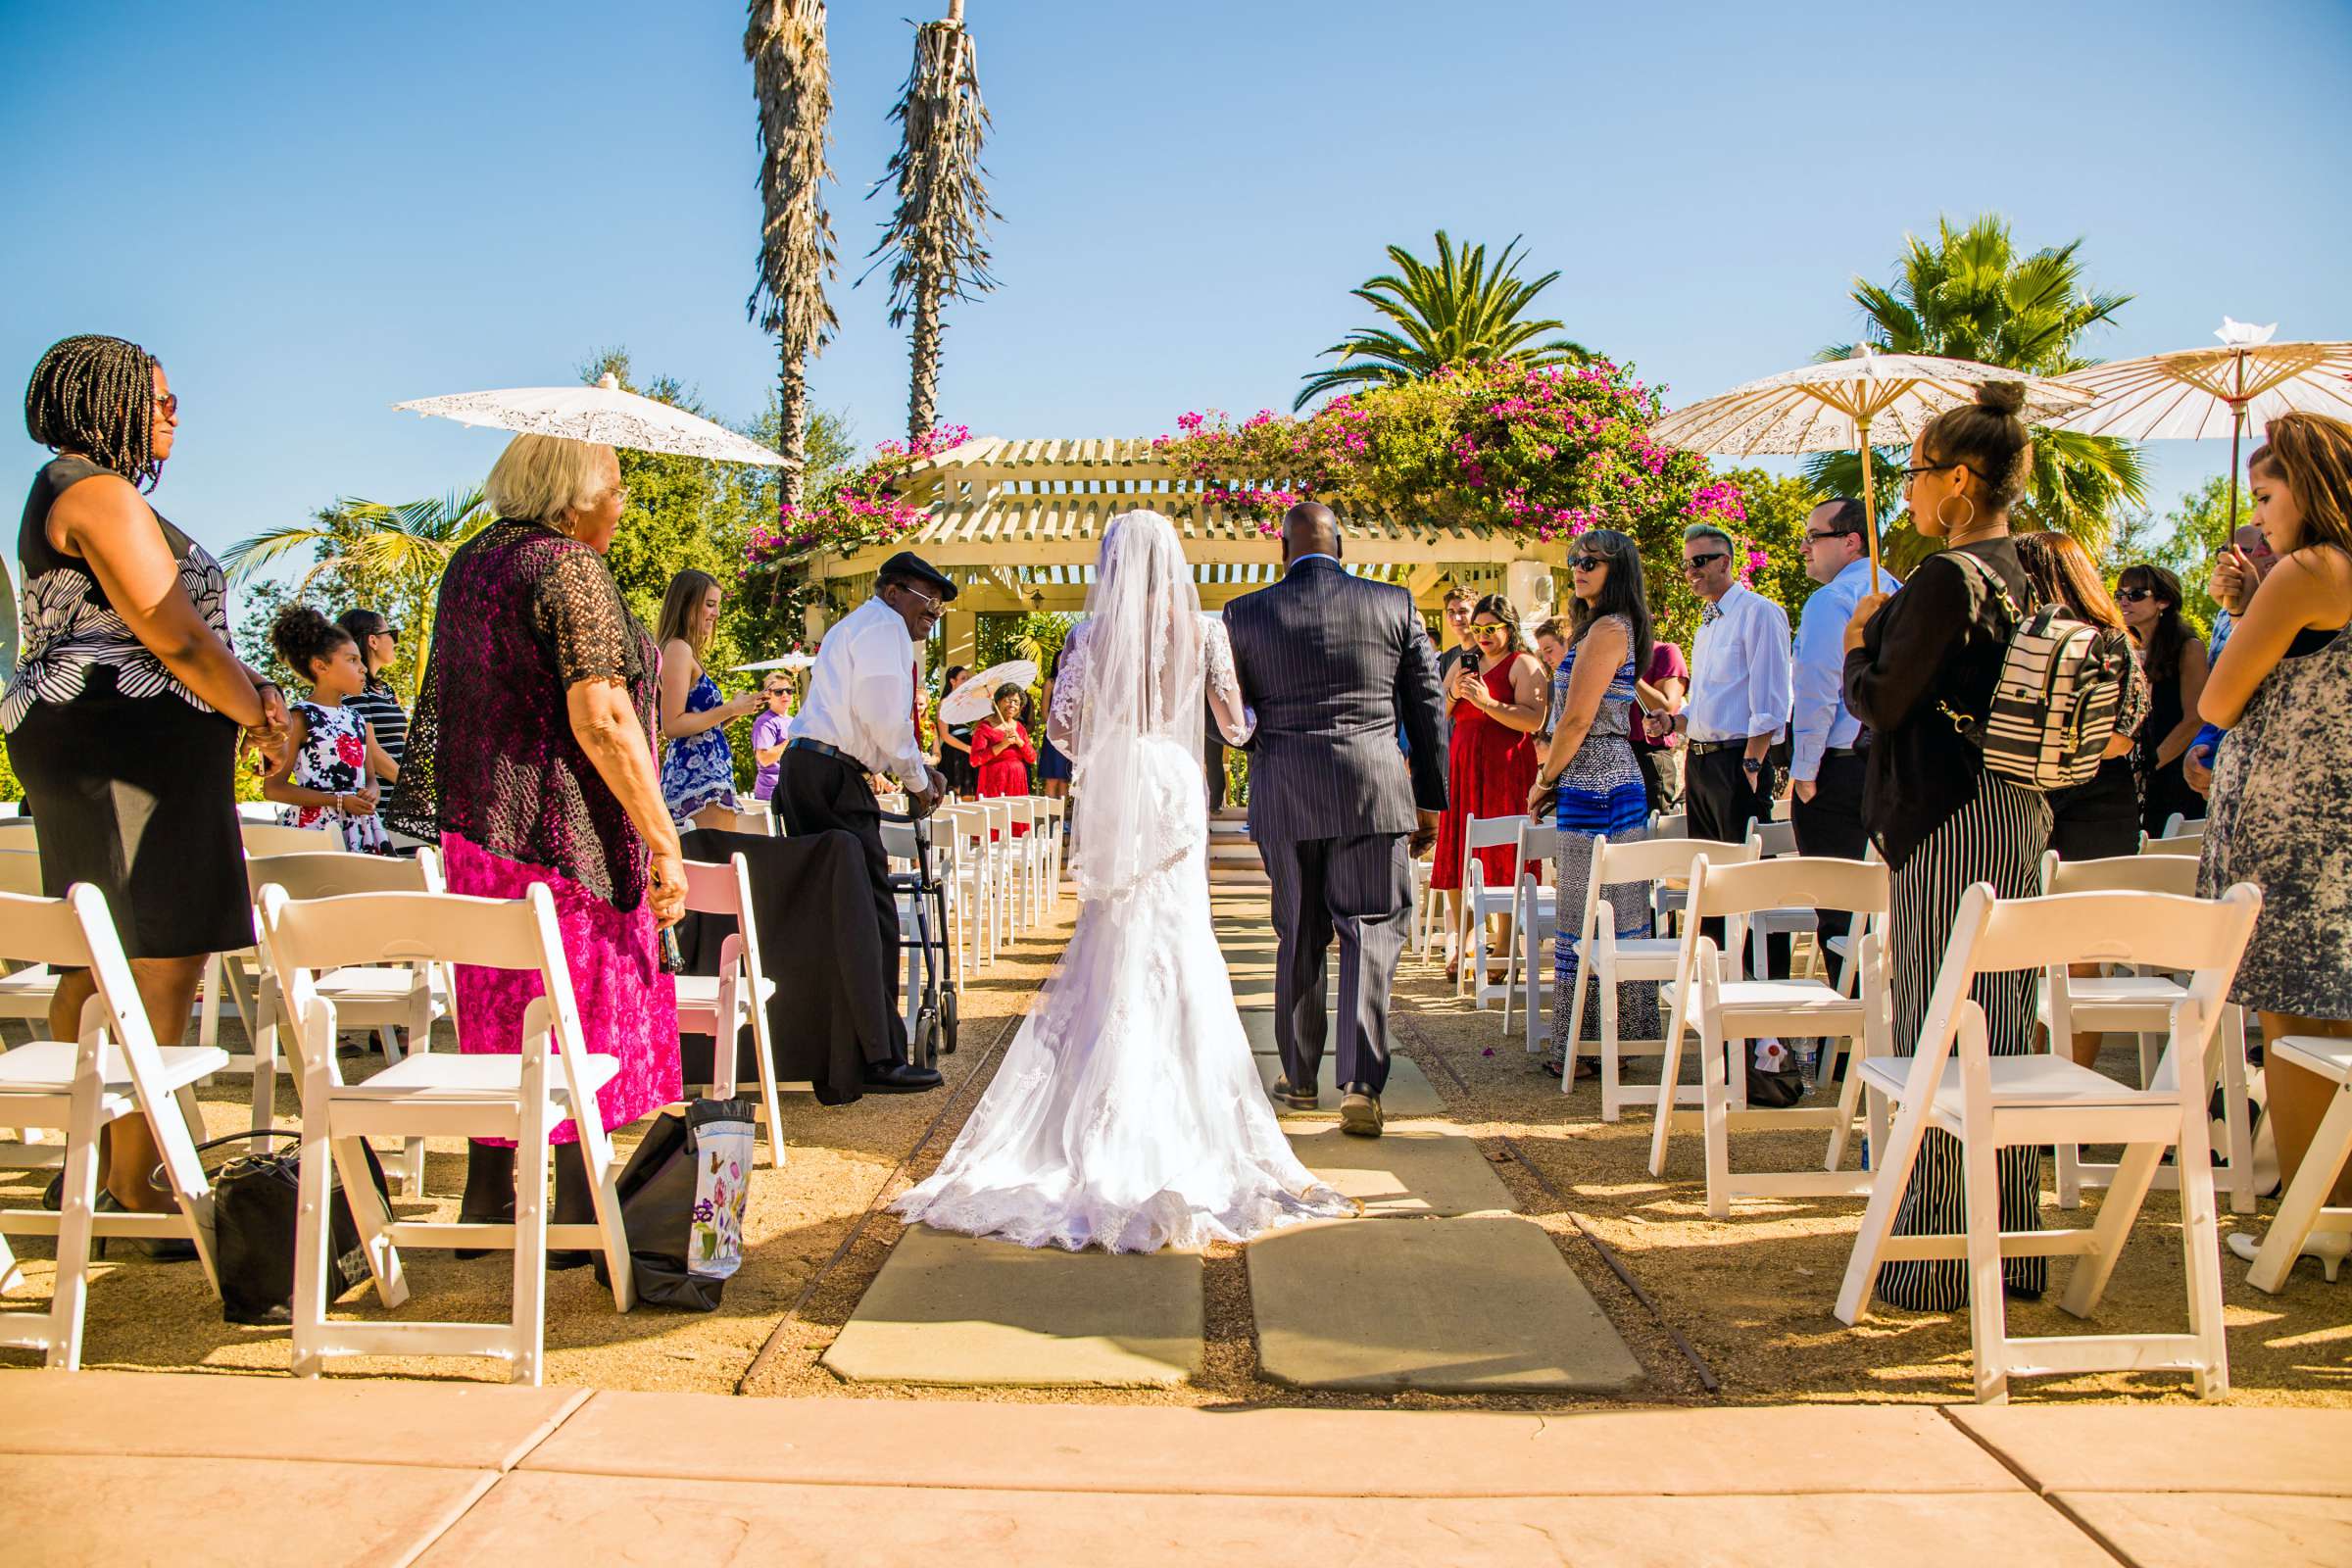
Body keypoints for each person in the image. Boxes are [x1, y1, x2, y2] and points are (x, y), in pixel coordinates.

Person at [893, 511, 1351, 1249]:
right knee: (1178, 931)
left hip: (1116, 782)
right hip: (1173, 783)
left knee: (1111, 926)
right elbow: (1235, 727)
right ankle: (1185, 1105)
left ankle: (1097, 1096)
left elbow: (1067, 734)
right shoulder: (1204, 630)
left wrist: (1115, 728)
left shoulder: (1087, 635)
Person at [382, 432, 684, 1261]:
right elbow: (604, 718)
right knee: (576, 1014)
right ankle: (581, 1209)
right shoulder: (568, 566)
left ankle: (487, 1198)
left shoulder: (472, 562)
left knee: (500, 1005)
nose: (623, 505)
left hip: (481, 829)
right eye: (616, 487)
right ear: (576, 493)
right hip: (562, 834)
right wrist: (663, 842)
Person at [9, 333, 288, 1227]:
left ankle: (95, 1158)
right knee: (154, 962)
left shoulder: (83, 490)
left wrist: (257, 694)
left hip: (118, 741)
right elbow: (176, 638)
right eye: (156, 396)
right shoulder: (93, 489)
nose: (173, 411)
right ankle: (137, 1179)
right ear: (104, 400)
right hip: (123, 750)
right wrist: (262, 717)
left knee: (102, 963)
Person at [1840, 380, 2054, 1310]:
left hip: (1945, 820)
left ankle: (1936, 1255)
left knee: (1941, 1023)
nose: (1909, 494)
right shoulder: (2043, 566)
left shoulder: (1946, 578)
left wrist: (1857, 648)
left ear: (1962, 480)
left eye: (1919, 473)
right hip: (2019, 811)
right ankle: (2013, 1243)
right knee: (2003, 1025)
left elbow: (1886, 702)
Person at [1223, 503, 1448, 1138]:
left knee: (1298, 931)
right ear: (1342, 548)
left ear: (1282, 550)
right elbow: (1427, 707)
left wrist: (1265, 751)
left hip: (1286, 792)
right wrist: (1429, 797)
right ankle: (1360, 1083)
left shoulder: (1245, 614)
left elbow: (1233, 719)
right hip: (1373, 792)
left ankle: (1298, 1079)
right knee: (1370, 931)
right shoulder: (1394, 604)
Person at [2197, 414, 2352, 1279]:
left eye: (2267, 495)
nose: (2259, 516)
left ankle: (2313, 1214)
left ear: (2309, 487)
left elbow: (2220, 700)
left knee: (2290, 1019)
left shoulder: (2306, 570)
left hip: (2294, 821)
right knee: (2340, 1019)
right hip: (2343, 819)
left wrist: (2245, 606)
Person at [778, 550, 954, 1092]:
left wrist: (911, 768)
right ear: (895, 590)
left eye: (942, 607)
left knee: (833, 911)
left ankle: (841, 1054)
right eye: (929, 601)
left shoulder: (858, 627)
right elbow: (884, 718)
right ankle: (878, 1058)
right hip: (832, 776)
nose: (935, 614)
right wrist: (920, 783)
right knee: (870, 912)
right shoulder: (884, 627)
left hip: (814, 768)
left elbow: (874, 723)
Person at [2013, 530, 2149, 1069]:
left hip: (2094, 801)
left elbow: (2120, 736)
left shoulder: (2113, 645)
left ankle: (2065, 1088)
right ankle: (2020, 1077)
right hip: (2026, 799)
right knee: (2016, 952)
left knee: (2080, 957)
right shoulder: (2009, 643)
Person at [1527, 529, 1658, 1079]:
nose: (1578, 568)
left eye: (1592, 563)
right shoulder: (1606, 625)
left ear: (1618, 570)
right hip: (1599, 775)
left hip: (1596, 778)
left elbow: (1578, 718)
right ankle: (1606, 1044)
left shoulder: (1607, 627)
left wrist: (1544, 779)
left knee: (1592, 917)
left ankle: (1590, 1049)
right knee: (1605, 915)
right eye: (1575, 560)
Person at [1428, 593, 1547, 982]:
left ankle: (1504, 945)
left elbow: (1533, 720)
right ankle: (1461, 942)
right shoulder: (1466, 665)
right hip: (1463, 769)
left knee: (1502, 850)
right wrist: (1454, 693)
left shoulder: (1524, 664)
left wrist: (1488, 703)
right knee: (1456, 850)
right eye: (1477, 630)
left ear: (1509, 628)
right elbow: (1437, 712)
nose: (1482, 636)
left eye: (1490, 629)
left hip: (1505, 769)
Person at [1662, 522, 1791, 847]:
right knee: (1709, 875)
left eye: (1699, 561)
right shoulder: (1706, 624)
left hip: (1736, 762)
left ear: (1725, 562)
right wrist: (1672, 721)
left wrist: (1750, 767)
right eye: (1687, 564)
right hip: (1699, 764)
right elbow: (1709, 703)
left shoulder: (1759, 612)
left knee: (1746, 878)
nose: (1691, 571)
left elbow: (1770, 702)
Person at [1789, 500, 1897, 879]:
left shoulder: (1830, 600)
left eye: (1813, 537)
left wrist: (1804, 770)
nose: (1804, 548)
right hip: (1894, 766)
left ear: (1851, 542)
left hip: (1840, 767)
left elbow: (1816, 690)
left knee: (1837, 907)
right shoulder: (1902, 593)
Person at [262, 606, 397, 854]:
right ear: (321, 666)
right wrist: (338, 801)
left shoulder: (357, 720)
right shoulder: (301, 718)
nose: (363, 668)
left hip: (360, 828)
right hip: (317, 832)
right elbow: (273, 788)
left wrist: (372, 791)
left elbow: (369, 777)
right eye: (351, 660)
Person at [656, 569, 759, 829]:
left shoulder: (682, 650)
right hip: (700, 782)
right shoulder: (679, 649)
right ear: (687, 605)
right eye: (710, 604)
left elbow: (699, 727)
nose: (716, 613)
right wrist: (730, 707)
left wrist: (735, 712)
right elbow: (673, 725)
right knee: (718, 861)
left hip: (706, 776)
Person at [2184, 522, 2277, 797]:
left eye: (2241, 550)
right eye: (2223, 550)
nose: (2229, 558)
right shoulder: (2225, 616)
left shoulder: (2287, 605)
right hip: (2231, 767)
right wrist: (2201, 748)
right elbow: (2219, 695)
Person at [2116, 563, 2207, 839]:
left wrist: (2149, 765)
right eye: (2119, 594)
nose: (2124, 601)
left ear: (2163, 601)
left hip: (2173, 778)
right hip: (2133, 780)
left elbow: (2195, 719)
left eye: (2136, 594)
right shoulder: (2125, 648)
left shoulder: (2189, 647)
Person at [335, 607, 408, 770]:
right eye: (392, 634)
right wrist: (410, 788)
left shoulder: (387, 690)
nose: (395, 642)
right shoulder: (354, 689)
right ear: (373, 641)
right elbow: (370, 751)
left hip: (400, 792)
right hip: (379, 794)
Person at [1631, 635, 1689, 814]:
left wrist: (1629, 672)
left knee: (1654, 832)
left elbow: (1667, 706)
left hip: (1650, 754)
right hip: (1617, 756)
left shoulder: (1665, 651)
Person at [970, 682, 1037, 826]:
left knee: (1016, 823)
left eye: (1016, 702)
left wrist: (1019, 742)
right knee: (994, 825)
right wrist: (1003, 744)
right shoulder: (984, 727)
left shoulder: (1020, 728)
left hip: (1017, 781)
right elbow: (975, 760)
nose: (1012, 704)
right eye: (1008, 700)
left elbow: (1032, 758)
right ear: (998, 702)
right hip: (993, 780)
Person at [934, 664, 978, 799]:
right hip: (954, 752)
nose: (967, 681)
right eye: (963, 678)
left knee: (972, 793)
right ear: (952, 681)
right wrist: (967, 748)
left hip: (972, 749)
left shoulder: (971, 701)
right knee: (956, 794)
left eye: (968, 678)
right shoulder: (945, 703)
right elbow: (944, 735)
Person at [749, 671, 795, 803]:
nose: (785, 695)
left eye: (789, 691)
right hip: (772, 794)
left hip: (790, 790)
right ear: (769, 695)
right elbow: (764, 758)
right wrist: (794, 740)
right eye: (779, 692)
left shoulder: (793, 720)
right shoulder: (764, 722)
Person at [1037, 645, 1073, 801]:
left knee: (1065, 781)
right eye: (1059, 661)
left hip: (1069, 735)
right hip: (1053, 735)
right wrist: (1054, 730)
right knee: (1051, 779)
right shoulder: (1050, 683)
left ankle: (1062, 819)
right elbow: (1044, 711)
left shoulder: (1075, 684)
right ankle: (1050, 820)